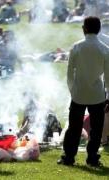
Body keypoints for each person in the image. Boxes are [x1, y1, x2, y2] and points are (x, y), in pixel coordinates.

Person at [57, 17, 109, 167]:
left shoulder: (76, 47)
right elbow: (108, 77)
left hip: (78, 93)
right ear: (99, 30)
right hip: (97, 94)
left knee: (74, 128)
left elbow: (69, 74)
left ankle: (69, 157)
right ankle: (92, 158)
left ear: (84, 29)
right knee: (96, 129)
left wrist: (72, 90)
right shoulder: (105, 49)